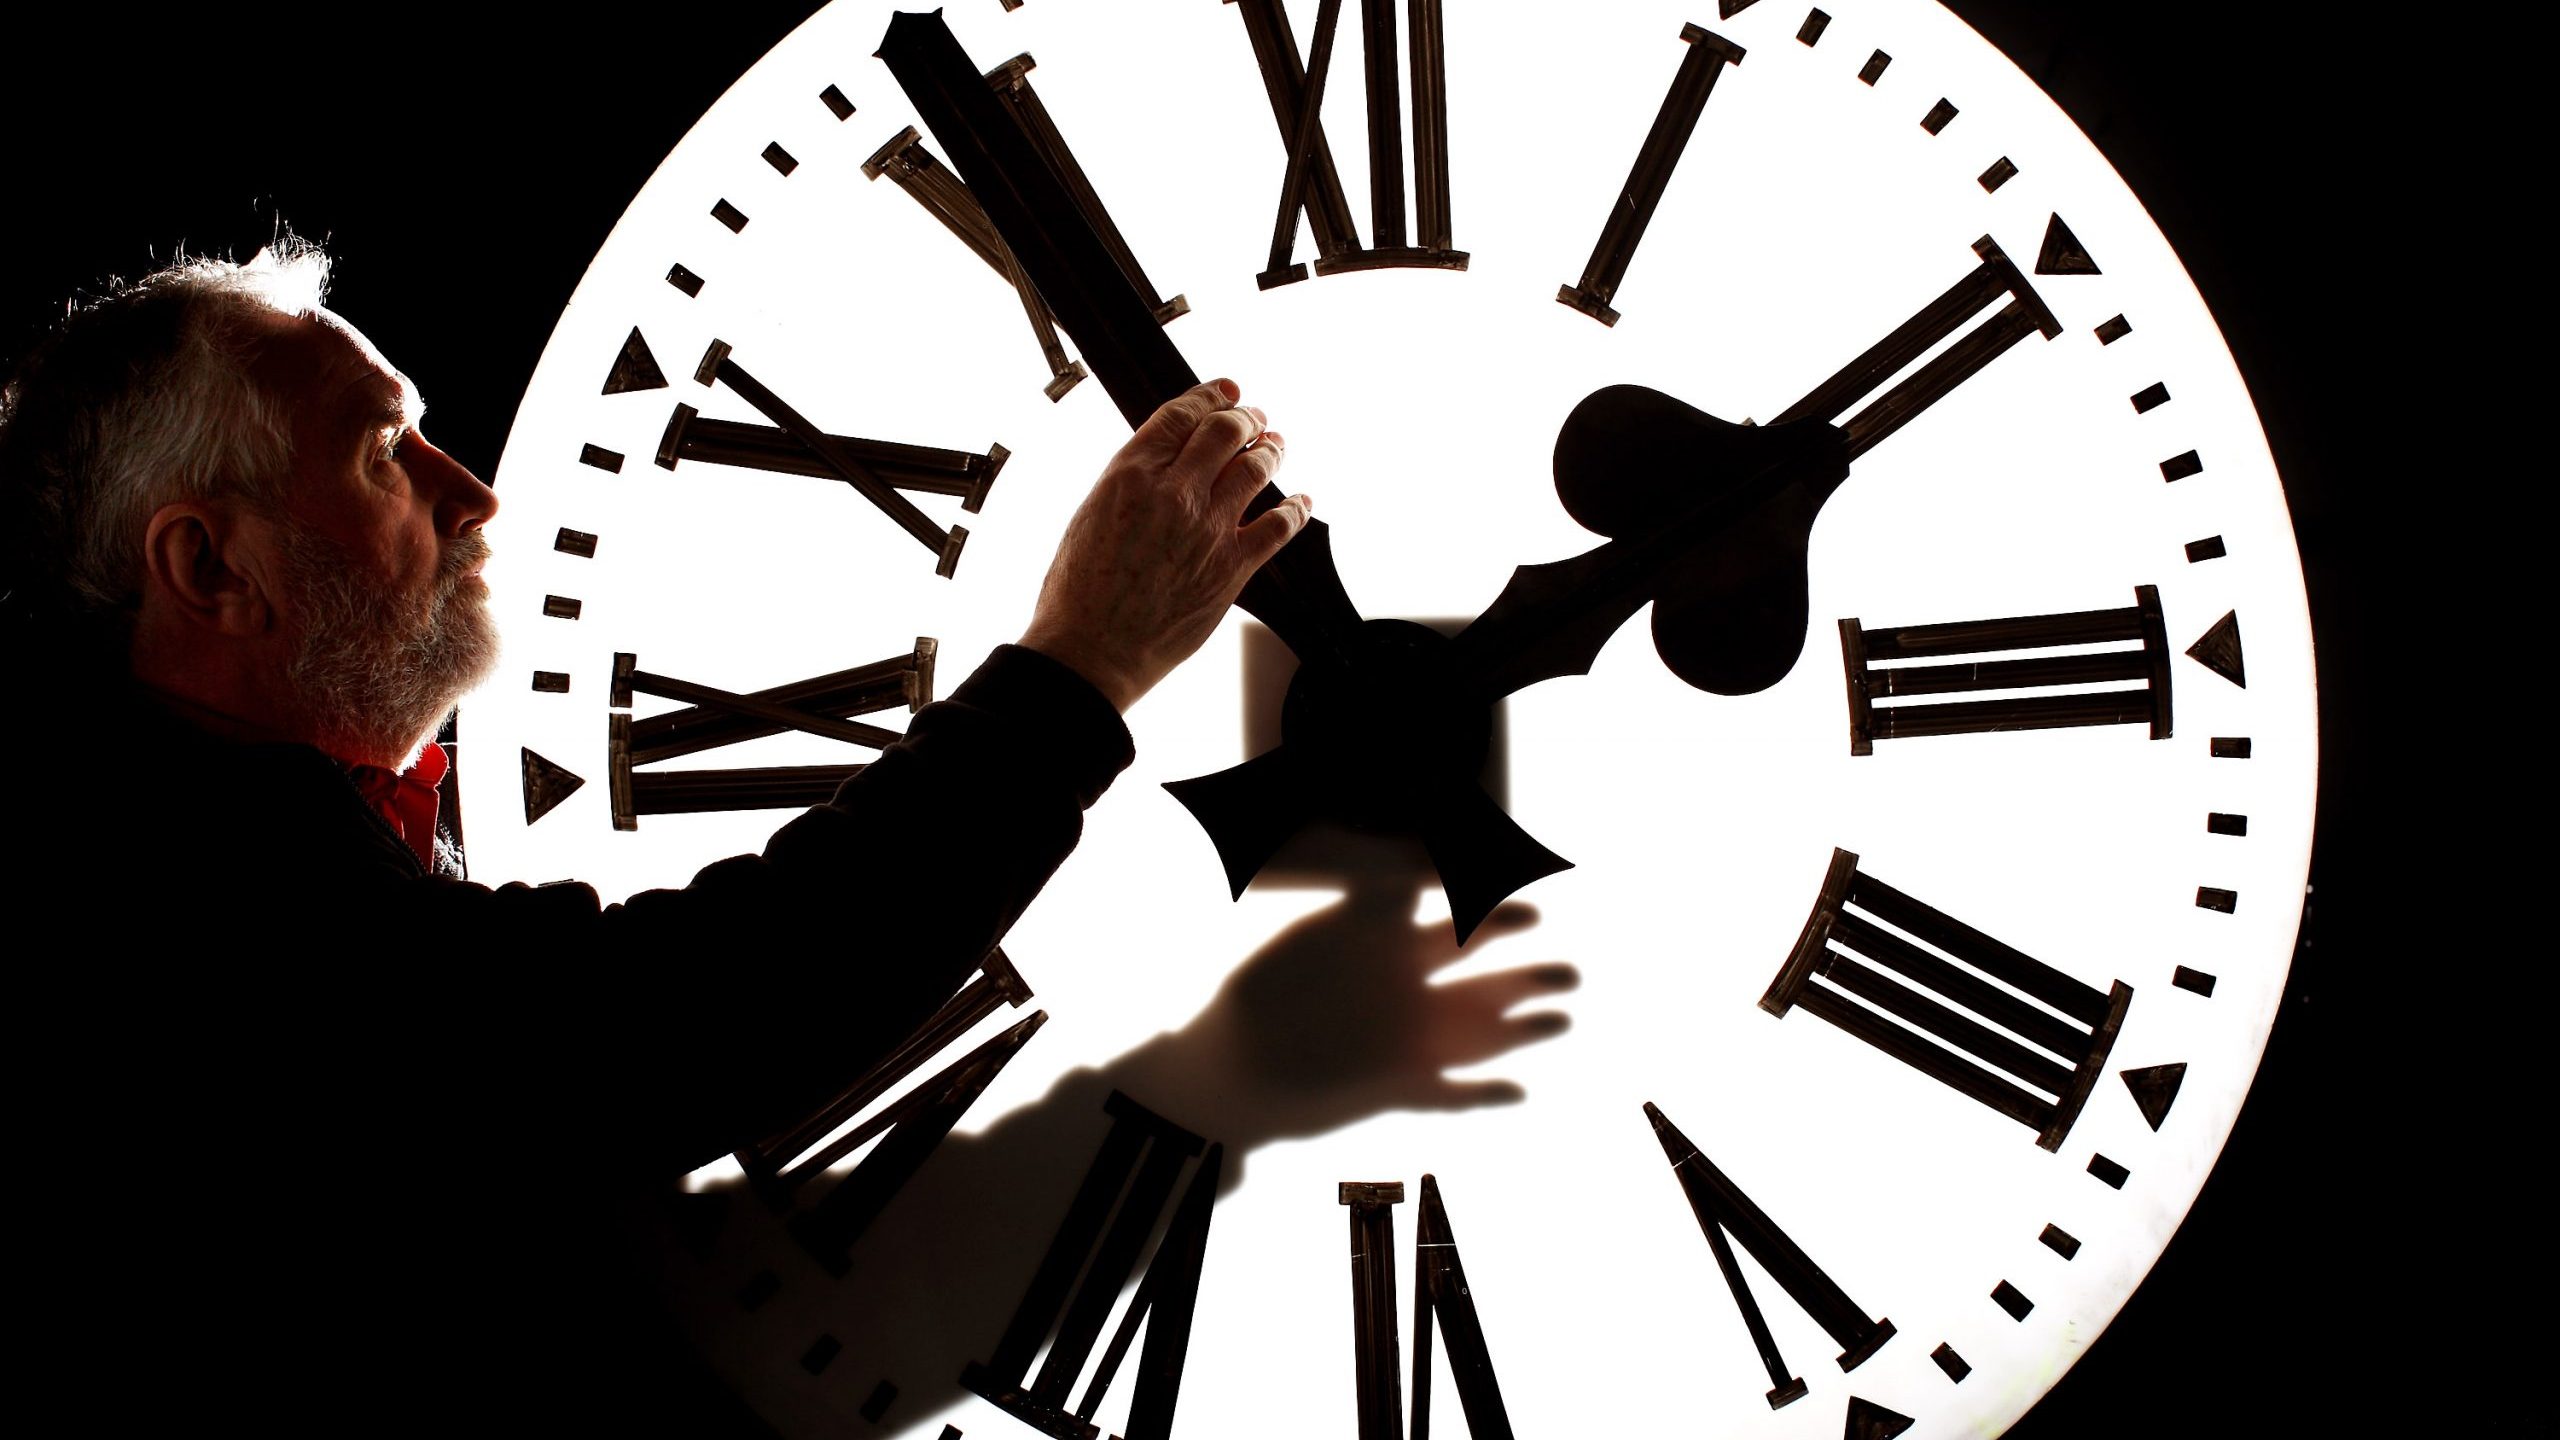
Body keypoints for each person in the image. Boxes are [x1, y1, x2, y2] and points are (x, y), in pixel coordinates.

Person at [1, 240, 1309, 1429]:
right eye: (384, 453)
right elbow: (676, 1017)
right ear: (211, 570)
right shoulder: (199, 913)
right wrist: (1078, 667)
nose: (474, 497)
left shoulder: (208, 844)